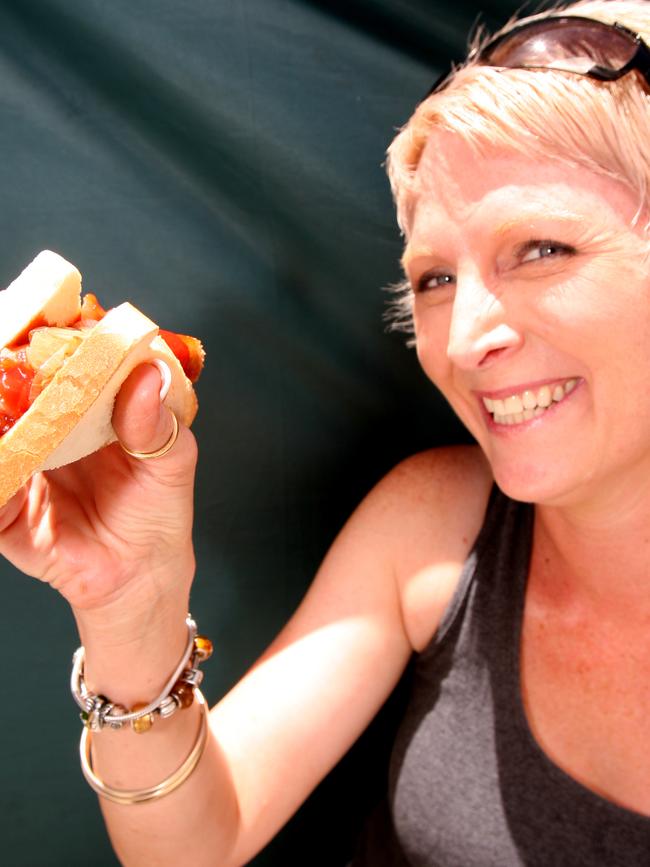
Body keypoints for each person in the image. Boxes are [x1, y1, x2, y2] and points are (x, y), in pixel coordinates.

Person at [2, 0, 650, 863]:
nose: (461, 341)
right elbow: (194, 844)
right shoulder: (435, 528)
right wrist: (129, 607)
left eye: (542, 249)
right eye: (433, 280)